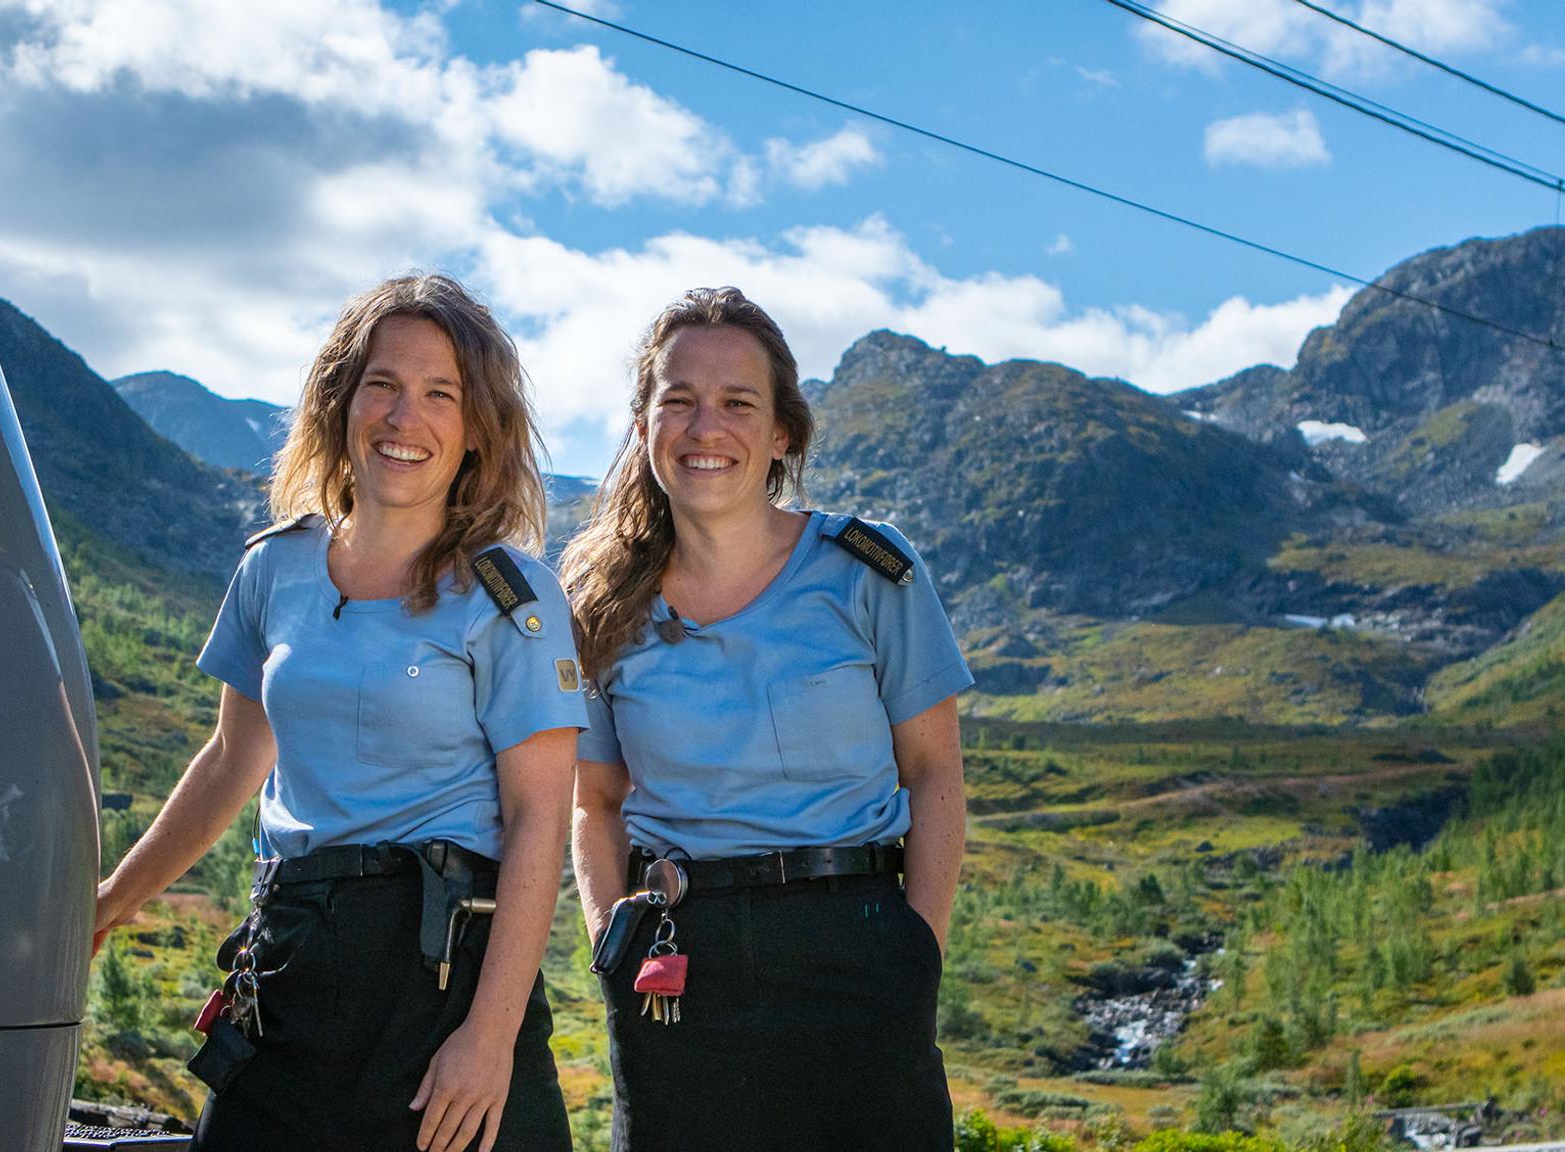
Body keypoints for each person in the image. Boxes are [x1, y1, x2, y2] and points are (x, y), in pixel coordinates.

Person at [94, 274, 583, 1152]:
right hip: (290, 961)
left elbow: (539, 817)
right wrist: (109, 902)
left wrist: (489, 1038)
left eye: (442, 394)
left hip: (445, 980)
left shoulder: (512, 597)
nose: (406, 418)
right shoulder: (272, 570)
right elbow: (228, 763)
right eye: (384, 385)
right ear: (341, 400)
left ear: (476, 431)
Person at [563, 287, 971, 1150]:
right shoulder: (598, 602)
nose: (705, 427)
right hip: (676, 962)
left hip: (857, 952)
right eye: (678, 401)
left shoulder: (870, 571)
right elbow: (594, 802)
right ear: (643, 427)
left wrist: (914, 957)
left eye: (737, 404)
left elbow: (935, 774)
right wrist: (613, 947)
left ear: (782, 433)